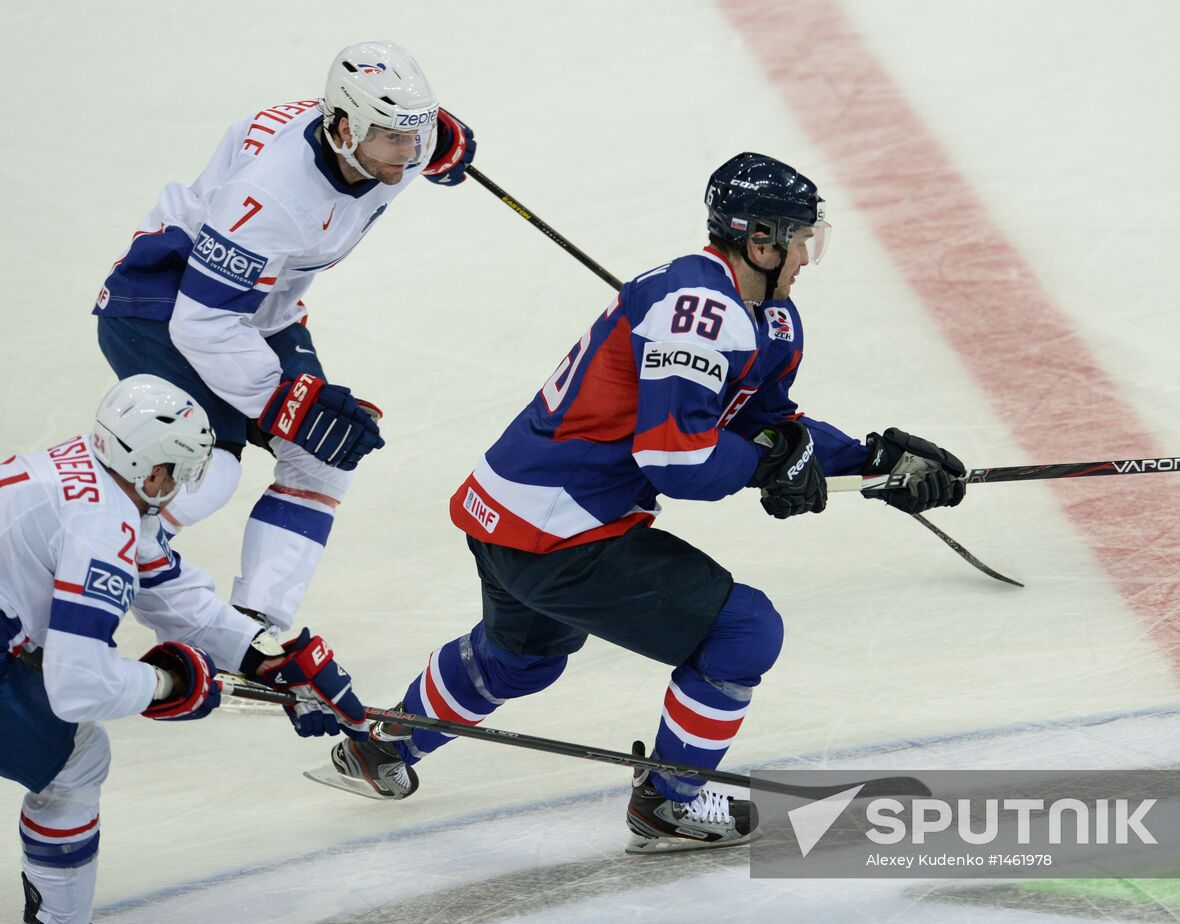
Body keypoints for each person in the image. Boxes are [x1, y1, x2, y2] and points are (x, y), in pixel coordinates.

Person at [314, 152, 967, 853]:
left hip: (510, 514)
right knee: (744, 631)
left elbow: (766, 424)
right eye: (800, 238)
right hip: (562, 528)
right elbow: (677, 458)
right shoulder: (699, 311)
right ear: (759, 240)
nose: (809, 254)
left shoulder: (764, 318)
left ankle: (383, 744)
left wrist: (872, 459)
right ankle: (669, 801)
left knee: (520, 658)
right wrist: (772, 466)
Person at [91, 41, 478, 633]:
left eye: (418, 134)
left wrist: (440, 137)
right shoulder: (274, 195)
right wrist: (282, 402)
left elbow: (415, 136)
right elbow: (202, 322)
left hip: (259, 306)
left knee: (321, 457)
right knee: (207, 472)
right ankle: (72, 564)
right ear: (344, 129)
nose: (410, 155)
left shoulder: (375, 137)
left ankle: (254, 630)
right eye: (395, 139)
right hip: (161, 303)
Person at [1, 375, 369, 924]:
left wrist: (262, 658)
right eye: (179, 471)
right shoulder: (102, 526)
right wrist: (170, 684)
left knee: (70, 747)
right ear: (151, 471)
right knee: (77, 757)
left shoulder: (87, 470)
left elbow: (164, 588)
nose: (180, 486)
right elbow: (78, 687)